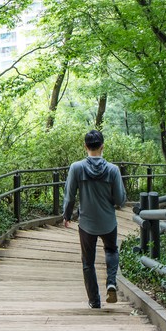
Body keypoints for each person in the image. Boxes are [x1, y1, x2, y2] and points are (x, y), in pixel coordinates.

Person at [63, 130, 127, 308]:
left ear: (85, 146)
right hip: (108, 222)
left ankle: (94, 301)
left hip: (86, 224)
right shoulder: (113, 170)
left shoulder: (76, 168)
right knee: (112, 250)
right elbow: (120, 200)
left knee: (88, 262)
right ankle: (111, 282)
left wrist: (67, 215)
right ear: (102, 146)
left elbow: (69, 196)